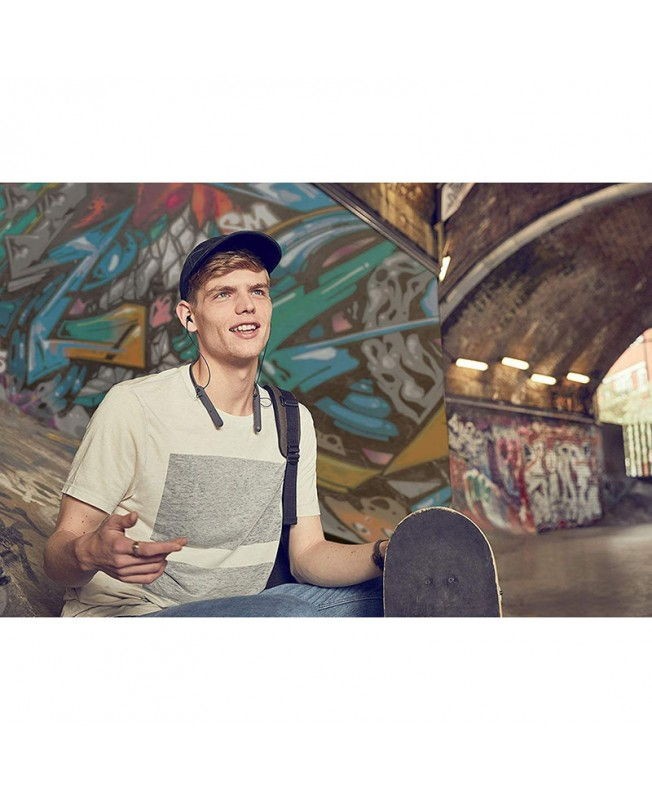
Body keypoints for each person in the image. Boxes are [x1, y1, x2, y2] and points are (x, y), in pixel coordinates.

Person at [43, 230, 388, 617]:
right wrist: (88, 552)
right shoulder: (136, 406)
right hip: (137, 614)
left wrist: (385, 554)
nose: (247, 306)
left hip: (242, 612)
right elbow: (56, 559)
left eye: (258, 291)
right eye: (224, 294)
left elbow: (307, 555)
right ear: (189, 317)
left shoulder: (292, 420)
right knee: (289, 614)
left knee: (389, 596)